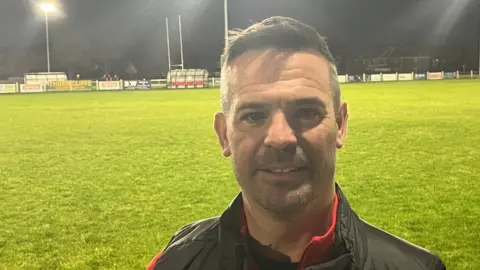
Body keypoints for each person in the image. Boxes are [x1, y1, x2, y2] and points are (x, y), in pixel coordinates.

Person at [147, 16, 446, 270]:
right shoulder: (176, 262)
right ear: (224, 135)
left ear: (340, 125)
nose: (280, 138)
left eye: (306, 112)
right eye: (253, 116)